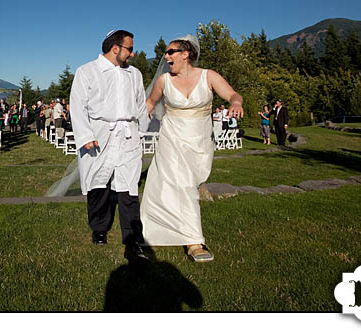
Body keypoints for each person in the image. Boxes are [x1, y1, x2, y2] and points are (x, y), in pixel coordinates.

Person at [141, 34, 244, 263]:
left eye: (171, 52)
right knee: (183, 185)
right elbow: (149, 104)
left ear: (185, 54)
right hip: (171, 138)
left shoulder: (209, 76)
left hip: (199, 141)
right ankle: (195, 242)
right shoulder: (163, 81)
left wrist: (235, 103)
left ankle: (172, 229)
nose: (166, 56)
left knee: (187, 184)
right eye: (166, 53)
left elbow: (232, 94)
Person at [70, 29, 150, 264]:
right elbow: (77, 106)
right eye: (129, 48)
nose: (132, 54)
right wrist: (85, 136)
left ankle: (132, 240)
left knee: (128, 187)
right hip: (99, 134)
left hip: (128, 135)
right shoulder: (87, 71)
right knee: (98, 183)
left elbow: (140, 104)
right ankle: (99, 227)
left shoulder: (134, 74)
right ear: (115, 48)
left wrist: (141, 131)